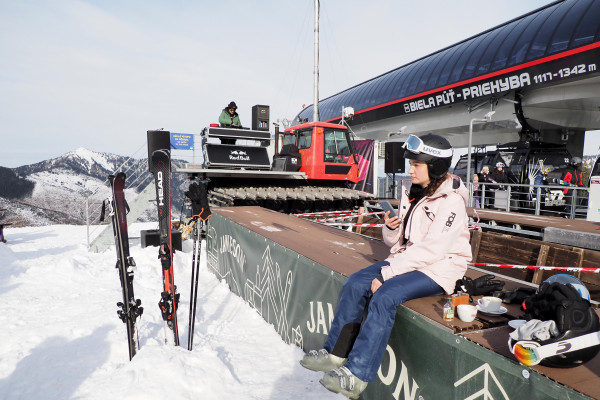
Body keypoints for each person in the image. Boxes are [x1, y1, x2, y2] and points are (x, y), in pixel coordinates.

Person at [300, 133, 472, 399]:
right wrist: (390, 228)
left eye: (416, 164)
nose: (410, 169)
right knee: (355, 283)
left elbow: (434, 249)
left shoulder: (452, 202)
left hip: (440, 267)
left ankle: (357, 376)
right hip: (410, 258)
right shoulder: (413, 191)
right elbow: (400, 240)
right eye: (410, 163)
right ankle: (335, 354)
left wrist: (388, 274)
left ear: (435, 166)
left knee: (384, 296)